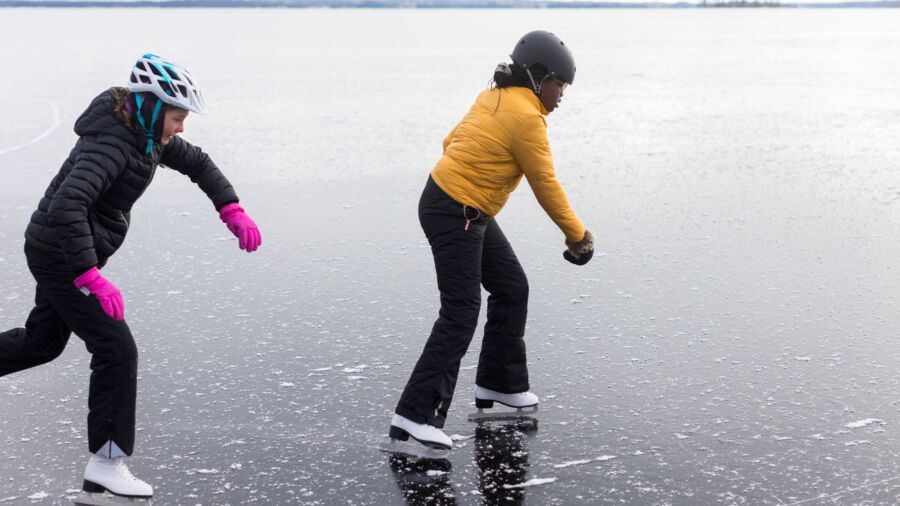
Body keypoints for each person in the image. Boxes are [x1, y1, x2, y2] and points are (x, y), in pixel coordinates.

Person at [0, 54, 261, 500]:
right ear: (155, 107)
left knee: (43, 343)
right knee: (117, 348)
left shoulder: (146, 137)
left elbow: (198, 163)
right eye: (177, 117)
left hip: (61, 248)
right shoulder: (110, 144)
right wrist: (88, 276)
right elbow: (68, 205)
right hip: (60, 253)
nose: (181, 128)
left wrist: (229, 207)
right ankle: (106, 462)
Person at [389, 31, 595, 451]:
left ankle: (499, 386)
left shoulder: (495, 96)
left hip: (460, 204)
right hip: (458, 212)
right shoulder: (527, 117)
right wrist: (578, 237)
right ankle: (414, 417)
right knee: (461, 311)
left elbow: (451, 143)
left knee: (511, 286)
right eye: (559, 84)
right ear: (539, 77)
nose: (561, 95)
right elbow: (545, 184)